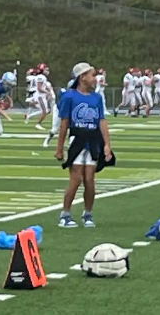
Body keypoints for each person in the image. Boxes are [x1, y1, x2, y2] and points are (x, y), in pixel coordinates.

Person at [55, 62, 114, 228]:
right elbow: (64, 123)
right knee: (75, 178)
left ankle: (87, 213)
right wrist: (59, 148)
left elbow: (102, 121)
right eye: (92, 75)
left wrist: (107, 144)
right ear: (82, 77)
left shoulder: (97, 98)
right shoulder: (69, 97)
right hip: (77, 139)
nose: (95, 79)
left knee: (90, 179)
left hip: (93, 140)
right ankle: (65, 214)